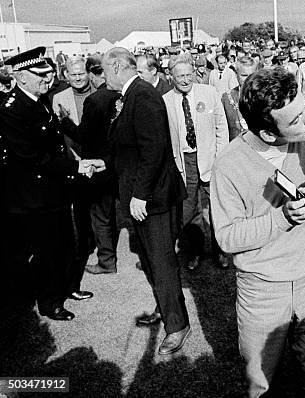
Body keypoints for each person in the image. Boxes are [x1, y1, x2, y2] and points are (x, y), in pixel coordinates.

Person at [210, 67, 305, 397]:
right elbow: (227, 237)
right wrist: (282, 218)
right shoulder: (229, 164)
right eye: (295, 120)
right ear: (267, 133)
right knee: (259, 381)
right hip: (261, 291)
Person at [0, 47, 103, 321]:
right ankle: (49, 302)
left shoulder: (39, 100)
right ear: (22, 77)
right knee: (45, 251)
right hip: (33, 195)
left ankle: (66, 287)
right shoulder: (12, 109)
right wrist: (74, 166)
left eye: (49, 74)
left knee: (65, 244)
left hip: (54, 188)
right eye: (41, 75)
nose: (48, 80)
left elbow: (55, 140)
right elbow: (30, 155)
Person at [101, 47, 190, 355]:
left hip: (153, 199)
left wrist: (140, 195)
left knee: (162, 262)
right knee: (152, 261)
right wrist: (104, 164)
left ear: (115, 67)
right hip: (143, 195)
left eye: (103, 69)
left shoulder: (144, 95)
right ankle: (166, 309)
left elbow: (154, 150)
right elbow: (130, 147)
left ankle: (177, 325)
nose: (101, 76)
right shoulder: (134, 94)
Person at [162, 55, 229, 270]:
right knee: (189, 211)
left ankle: (221, 251)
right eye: (180, 76)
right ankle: (196, 251)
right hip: (184, 161)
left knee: (217, 209)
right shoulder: (165, 101)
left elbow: (221, 127)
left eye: (188, 75)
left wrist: (221, 157)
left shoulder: (209, 93)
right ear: (170, 77)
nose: (185, 80)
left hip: (211, 157)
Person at [56, 65, 122, 275]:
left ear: (90, 75)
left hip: (96, 165)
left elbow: (83, 135)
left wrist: (64, 121)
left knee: (100, 213)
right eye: (72, 74)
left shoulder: (97, 98)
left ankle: (106, 259)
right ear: (65, 76)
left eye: (81, 74)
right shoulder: (60, 96)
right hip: (89, 163)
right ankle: (94, 249)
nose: (77, 78)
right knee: (93, 212)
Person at [221, 55, 257, 141]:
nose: (248, 79)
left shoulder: (263, 95)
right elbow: (222, 129)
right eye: (244, 75)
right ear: (236, 74)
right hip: (235, 148)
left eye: (251, 75)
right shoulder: (227, 98)